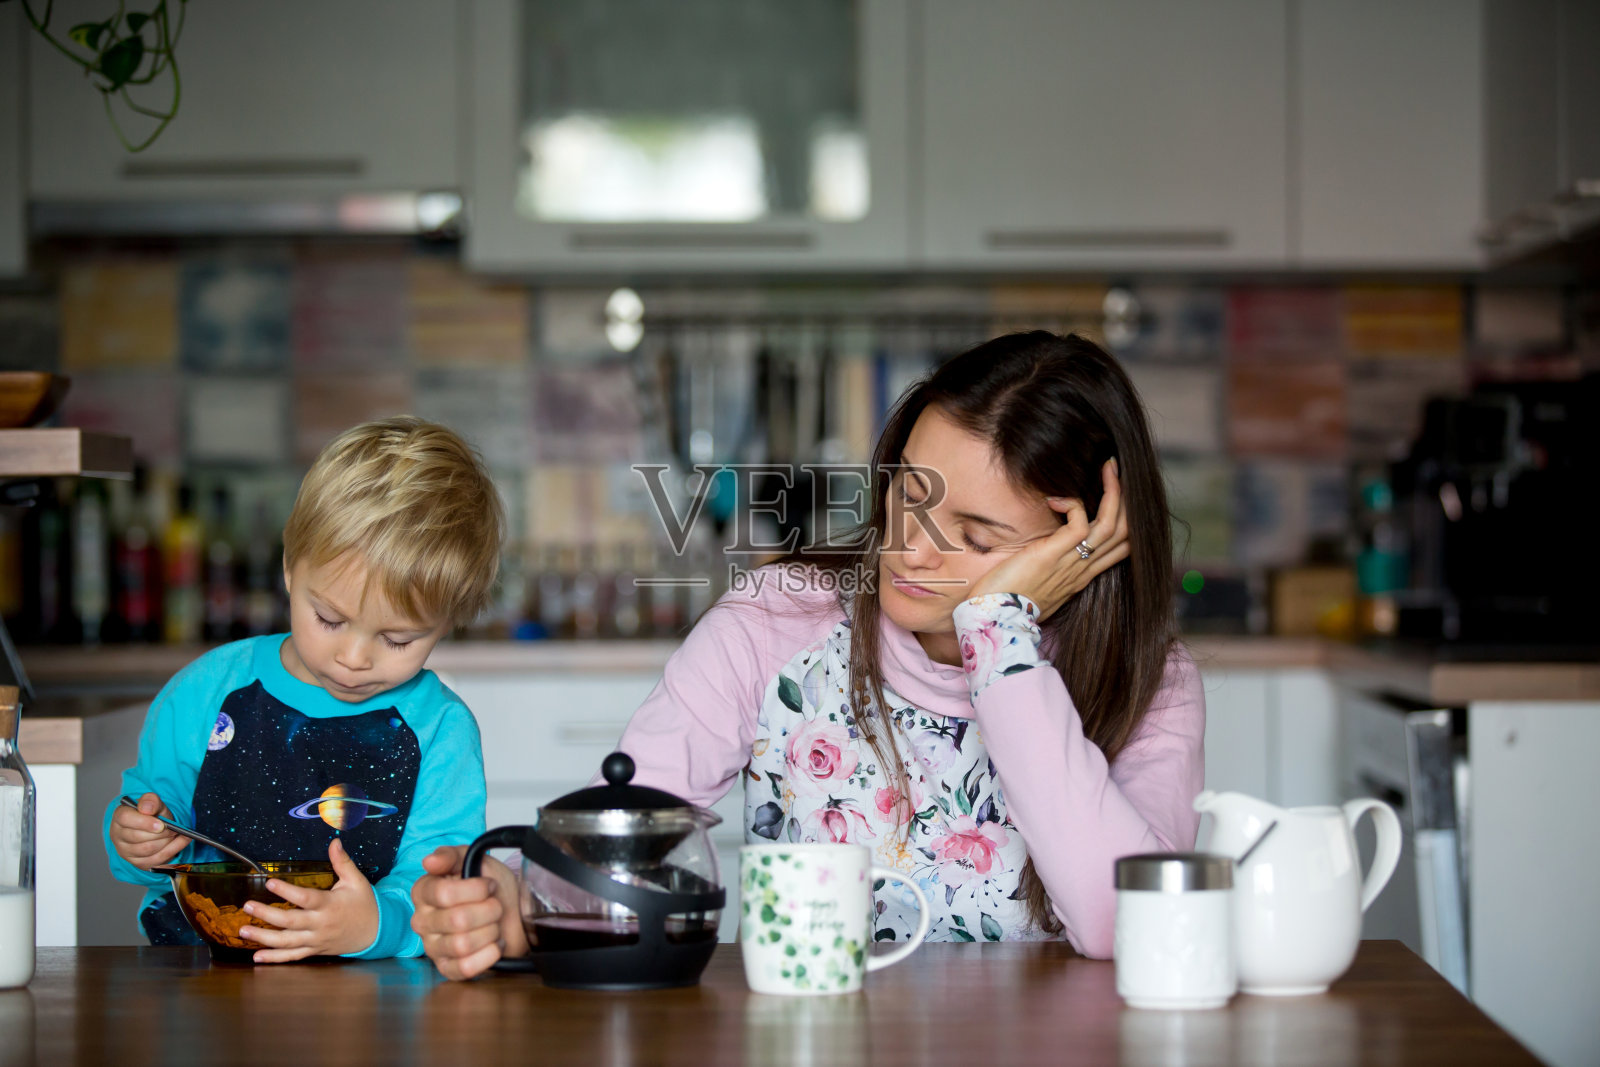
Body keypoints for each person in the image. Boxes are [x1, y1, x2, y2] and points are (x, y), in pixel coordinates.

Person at [412, 331, 1205, 978]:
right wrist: (516, 905)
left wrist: (1001, 631)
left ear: (1088, 546)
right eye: (907, 496)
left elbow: (1124, 924)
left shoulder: (1150, 684)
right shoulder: (780, 615)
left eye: (977, 537)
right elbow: (624, 833)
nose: (912, 550)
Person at [106, 417, 503, 962]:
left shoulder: (440, 730)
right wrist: (140, 840)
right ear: (291, 568)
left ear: (447, 623)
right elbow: (149, 826)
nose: (354, 658)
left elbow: (441, 889)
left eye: (397, 638)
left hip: (369, 1008)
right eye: (330, 619)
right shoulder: (206, 691)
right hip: (197, 986)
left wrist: (373, 927)